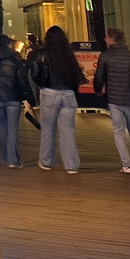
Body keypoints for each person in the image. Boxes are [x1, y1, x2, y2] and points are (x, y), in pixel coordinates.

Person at [31, 24, 84, 173]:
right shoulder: (68, 54)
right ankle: (72, 166)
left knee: (48, 129)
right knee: (68, 131)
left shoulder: (42, 53)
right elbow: (76, 77)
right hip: (68, 94)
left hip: (49, 93)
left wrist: (41, 84)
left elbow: (35, 73)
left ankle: (46, 161)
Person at [93, 27, 130, 173]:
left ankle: (126, 164)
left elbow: (99, 76)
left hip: (114, 99)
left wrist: (97, 89)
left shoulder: (105, 56)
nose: (105, 40)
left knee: (118, 131)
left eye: (106, 37)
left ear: (112, 39)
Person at [0, 31, 33, 167]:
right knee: (12, 128)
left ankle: (6, 156)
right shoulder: (15, 57)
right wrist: (29, 97)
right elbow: (22, 80)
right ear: (8, 44)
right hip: (13, 97)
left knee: (2, 127)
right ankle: (13, 160)